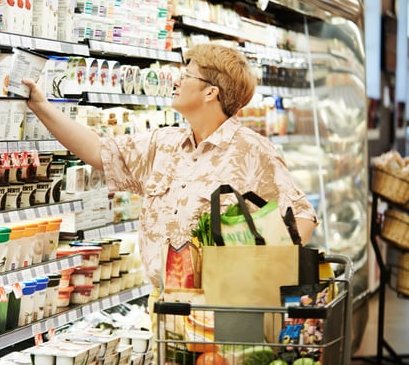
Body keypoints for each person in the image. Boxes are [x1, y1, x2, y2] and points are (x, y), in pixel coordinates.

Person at [22, 43, 318, 291]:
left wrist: (253, 279)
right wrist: (41, 106)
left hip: (224, 305)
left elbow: (302, 218)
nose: (177, 81)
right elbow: (101, 152)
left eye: (187, 75)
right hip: (164, 305)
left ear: (210, 93)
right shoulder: (163, 144)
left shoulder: (252, 151)